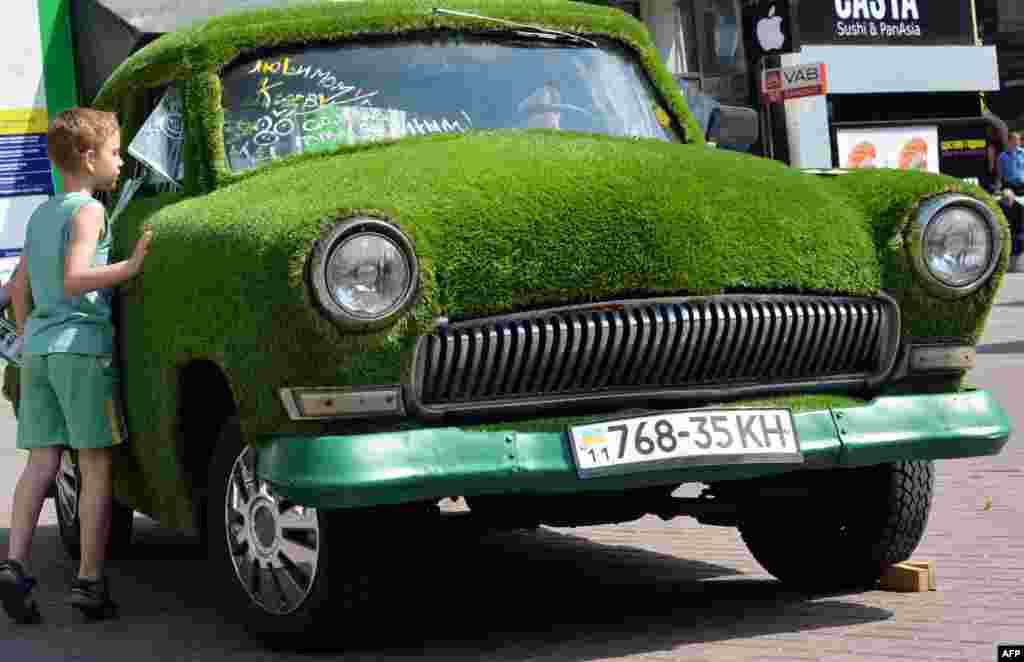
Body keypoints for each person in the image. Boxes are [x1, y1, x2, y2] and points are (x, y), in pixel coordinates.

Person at [0, 107, 152, 623]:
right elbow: (74, 278)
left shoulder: (44, 212)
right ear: (88, 158)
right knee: (93, 462)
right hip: (80, 348)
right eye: (114, 152)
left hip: (40, 350)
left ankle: (14, 565)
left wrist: (28, 337)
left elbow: (18, 289)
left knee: (41, 462)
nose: (120, 160)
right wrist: (130, 267)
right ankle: (89, 581)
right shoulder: (88, 211)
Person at [997, 132, 1024, 271]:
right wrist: (999, 187)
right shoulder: (1003, 156)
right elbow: (1000, 173)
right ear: (1009, 141)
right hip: (1009, 186)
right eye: (1014, 140)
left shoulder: (1023, 153)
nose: (1016, 142)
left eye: (1018, 140)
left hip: (1022, 186)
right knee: (1009, 203)